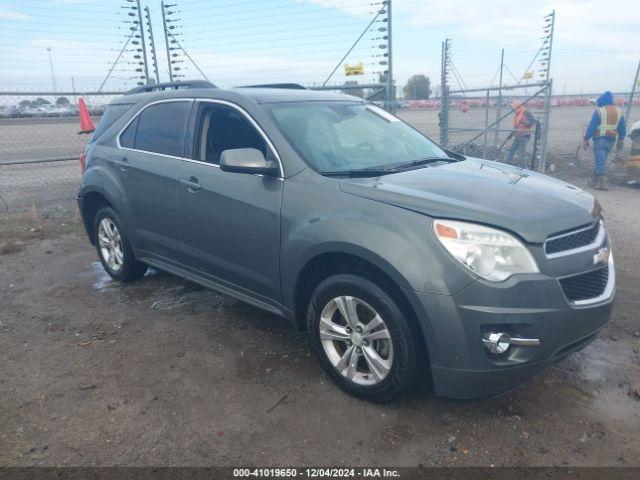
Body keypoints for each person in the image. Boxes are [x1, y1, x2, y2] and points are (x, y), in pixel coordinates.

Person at [583, 91, 626, 190]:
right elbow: (622, 127)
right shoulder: (618, 111)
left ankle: (603, 184)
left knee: (600, 161)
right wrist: (621, 138)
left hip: (600, 139)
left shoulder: (600, 111)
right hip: (611, 140)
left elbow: (592, 126)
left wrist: (586, 138)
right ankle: (594, 181)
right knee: (601, 160)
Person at [506, 101, 536, 167]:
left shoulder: (526, 112)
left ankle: (524, 168)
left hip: (525, 136)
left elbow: (533, 122)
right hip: (517, 136)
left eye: (512, 107)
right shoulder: (516, 115)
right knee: (511, 150)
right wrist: (510, 135)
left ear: (516, 107)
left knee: (521, 152)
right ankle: (507, 164)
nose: (512, 109)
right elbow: (516, 127)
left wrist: (525, 122)